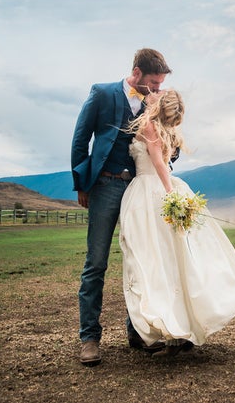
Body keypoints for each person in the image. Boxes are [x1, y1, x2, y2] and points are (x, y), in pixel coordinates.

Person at [119, 89, 235, 357]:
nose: (152, 94)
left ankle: (174, 329)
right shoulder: (164, 129)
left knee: (154, 261)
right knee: (173, 262)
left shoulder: (149, 125)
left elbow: (158, 162)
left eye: (156, 93)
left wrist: (171, 198)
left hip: (150, 195)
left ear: (158, 105)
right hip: (163, 190)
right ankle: (178, 330)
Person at [71, 48, 172, 366]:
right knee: (96, 262)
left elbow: (166, 145)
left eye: (160, 84)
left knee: (140, 262)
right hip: (104, 187)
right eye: (153, 83)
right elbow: (80, 138)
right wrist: (82, 183)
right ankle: (90, 339)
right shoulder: (102, 92)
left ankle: (138, 333)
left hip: (139, 189)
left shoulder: (154, 103)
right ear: (137, 72)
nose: (156, 89)